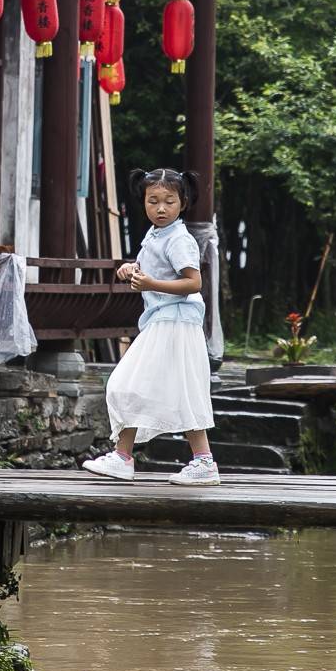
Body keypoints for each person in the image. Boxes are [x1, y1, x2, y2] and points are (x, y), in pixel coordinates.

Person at [82, 168, 218, 486]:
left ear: (182, 203)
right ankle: (124, 457)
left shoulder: (180, 239)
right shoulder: (157, 235)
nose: (160, 208)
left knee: (135, 384)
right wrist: (131, 269)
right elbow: (150, 270)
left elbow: (193, 282)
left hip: (176, 325)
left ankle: (201, 462)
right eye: (152, 200)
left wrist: (149, 282)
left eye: (169, 201)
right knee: (141, 387)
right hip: (162, 322)